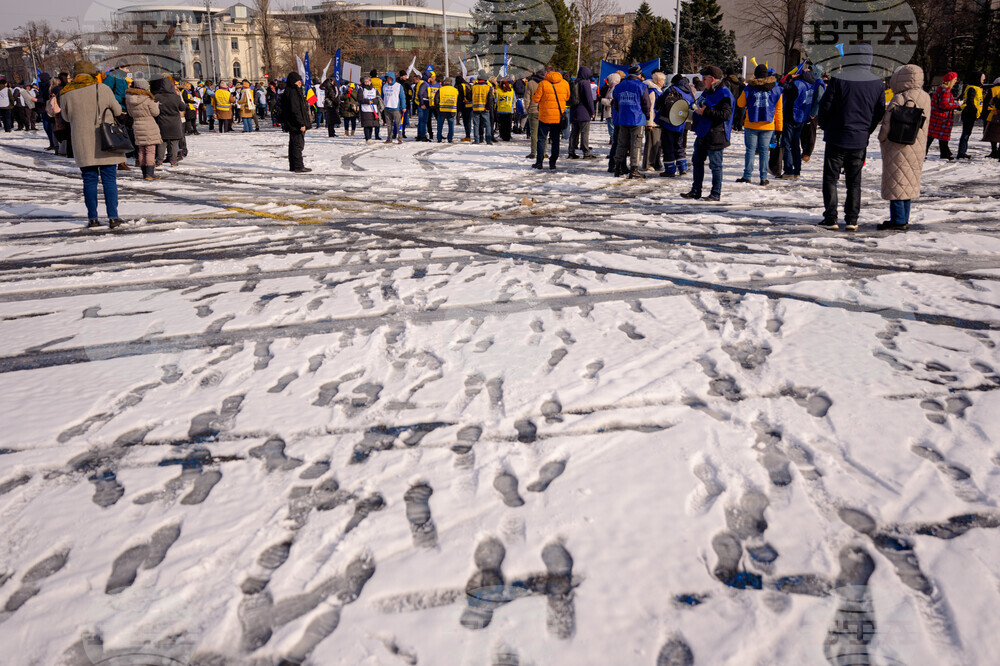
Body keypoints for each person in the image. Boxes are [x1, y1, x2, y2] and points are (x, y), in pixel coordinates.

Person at [817, 44, 885, 230]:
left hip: (837, 136)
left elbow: (825, 106)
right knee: (854, 181)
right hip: (859, 138)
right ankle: (852, 219)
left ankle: (831, 218)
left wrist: (825, 125)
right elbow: (879, 111)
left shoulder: (840, 79)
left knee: (831, 179)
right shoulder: (877, 82)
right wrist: (867, 130)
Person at [59, 60, 125, 229]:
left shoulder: (67, 93)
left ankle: (93, 218)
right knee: (109, 180)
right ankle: (113, 217)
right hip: (106, 141)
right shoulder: (102, 88)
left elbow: (66, 118)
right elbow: (117, 111)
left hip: (82, 142)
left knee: (89, 180)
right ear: (92, 73)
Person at [876, 64, 932, 231]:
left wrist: (882, 138)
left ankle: (898, 221)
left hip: (898, 145)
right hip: (917, 145)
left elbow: (887, 123)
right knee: (908, 183)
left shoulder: (900, 97)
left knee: (897, 182)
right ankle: (903, 217)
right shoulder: (925, 97)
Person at [682, 66, 734, 201]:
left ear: (712, 79)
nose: (703, 81)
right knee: (697, 161)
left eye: (705, 78)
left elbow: (726, 115)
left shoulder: (724, 93)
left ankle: (715, 193)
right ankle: (695, 190)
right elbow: (700, 106)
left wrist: (705, 112)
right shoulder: (707, 91)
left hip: (716, 134)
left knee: (715, 165)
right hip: (703, 133)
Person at [736, 64, 783, 186]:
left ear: (755, 75)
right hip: (768, 125)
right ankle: (763, 177)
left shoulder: (749, 88)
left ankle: (747, 176)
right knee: (764, 151)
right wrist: (779, 128)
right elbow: (778, 111)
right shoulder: (776, 89)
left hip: (751, 123)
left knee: (750, 151)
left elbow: (740, 104)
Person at [611, 65, 651, 178]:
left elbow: (616, 103)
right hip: (637, 119)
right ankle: (634, 170)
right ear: (639, 74)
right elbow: (646, 104)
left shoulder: (619, 86)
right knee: (636, 145)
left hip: (623, 119)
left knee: (621, 144)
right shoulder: (642, 86)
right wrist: (647, 116)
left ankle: (617, 168)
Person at [530, 67, 570, 170]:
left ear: (547, 73)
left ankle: (539, 162)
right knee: (555, 139)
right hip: (558, 117)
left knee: (542, 139)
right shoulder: (565, 83)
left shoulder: (543, 83)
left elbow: (535, 99)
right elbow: (567, 97)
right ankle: (553, 162)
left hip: (544, 116)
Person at [656, 74, 694, 177]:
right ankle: (683, 168)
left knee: (668, 146)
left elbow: (659, 102)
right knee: (679, 145)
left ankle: (670, 170)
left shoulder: (671, 89)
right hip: (681, 122)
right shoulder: (688, 91)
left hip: (668, 121)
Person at [127, 78, 162, 181]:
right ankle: (150, 174)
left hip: (137, 125)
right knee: (150, 150)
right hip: (149, 125)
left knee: (141, 150)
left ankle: (144, 173)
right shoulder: (148, 99)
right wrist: (156, 106)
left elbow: (130, 114)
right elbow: (155, 113)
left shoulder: (129, 99)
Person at [281, 72, 311, 173]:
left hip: (292, 122)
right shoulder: (293, 92)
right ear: (293, 81)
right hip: (295, 123)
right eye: (298, 81)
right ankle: (298, 166)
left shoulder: (290, 90)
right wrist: (301, 124)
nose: (300, 82)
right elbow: (295, 110)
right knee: (298, 145)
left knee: (293, 144)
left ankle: (293, 165)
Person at [927, 72, 961, 160]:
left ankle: (945, 153)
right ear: (950, 81)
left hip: (937, 117)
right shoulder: (945, 90)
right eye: (955, 79)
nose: (956, 81)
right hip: (941, 118)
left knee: (933, 136)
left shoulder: (941, 89)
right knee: (939, 137)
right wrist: (957, 104)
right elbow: (944, 105)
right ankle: (944, 154)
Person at [151, 76, 184, 167]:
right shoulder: (176, 97)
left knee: (162, 142)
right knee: (174, 142)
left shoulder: (157, 97)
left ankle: (159, 160)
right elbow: (182, 108)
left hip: (162, 122)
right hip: (175, 123)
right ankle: (173, 161)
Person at [567, 66, 595, 159]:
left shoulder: (574, 82)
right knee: (584, 133)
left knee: (574, 132)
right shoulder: (585, 83)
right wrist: (592, 111)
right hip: (583, 112)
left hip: (574, 111)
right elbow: (589, 99)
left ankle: (571, 152)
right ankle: (586, 153)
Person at [956, 73, 985, 160]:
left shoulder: (976, 88)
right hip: (969, 113)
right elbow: (970, 101)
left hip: (972, 114)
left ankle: (963, 152)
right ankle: (961, 152)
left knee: (967, 134)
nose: (983, 80)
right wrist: (975, 110)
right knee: (966, 134)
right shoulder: (972, 88)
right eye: (982, 78)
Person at [641, 72, 665, 172]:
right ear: (658, 81)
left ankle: (655, 162)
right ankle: (647, 164)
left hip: (658, 120)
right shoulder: (652, 91)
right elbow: (650, 108)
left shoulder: (658, 90)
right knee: (651, 144)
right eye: (663, 80)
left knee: (657, 144)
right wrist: (649, 123)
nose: (664, 82)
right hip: (653, 121)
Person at [524, 68, 546, 160]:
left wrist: (527, 108)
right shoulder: (546, 83)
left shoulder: (530, 83)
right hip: (544, 110)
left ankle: (533, 152)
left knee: (534, 133)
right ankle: (544, 152)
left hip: (533, 110)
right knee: (544, 133)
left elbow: (527, 97)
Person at [471, 70, 494, 145]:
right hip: (485, 109)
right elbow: (490, 99)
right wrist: (488, 108)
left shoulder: (474, 87)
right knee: (487, 124)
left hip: (476, 108)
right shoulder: (488, 87)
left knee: (476, 125)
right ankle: (488, 140)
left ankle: (477, 140)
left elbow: (468, 96)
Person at [382, 72, 406, 144]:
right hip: (387, 108)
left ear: (392, 78)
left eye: (390, 78)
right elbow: (382, 96)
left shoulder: (398, 86)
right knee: (389, 125)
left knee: (398, 125)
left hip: (396, 108)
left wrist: (403, 106)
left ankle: (400, 138)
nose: (388, 79)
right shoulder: (384, 86)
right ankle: (389, 138)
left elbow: (402, 97)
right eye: (387, 78)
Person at [357, 75, 381, 143]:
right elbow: (359, 99)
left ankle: (370, 138)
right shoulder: (361, 89)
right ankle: (367, 138)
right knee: (366, 125)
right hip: (365, 110)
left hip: (373, 110)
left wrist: (373, 101)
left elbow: (378, 99)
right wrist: (367, 101)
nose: (366, 83)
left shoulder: (375, 89)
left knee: (371, 125)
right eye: (365, 82)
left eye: (368, 81)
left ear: (370, 82)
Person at [436, 76, 458, 143]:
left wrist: (437, 107)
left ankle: (439, 138)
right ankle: (450, 138)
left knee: (440, 125)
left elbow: (436, 99)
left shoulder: (441, 89)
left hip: (442, 110)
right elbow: (458, 100)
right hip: (451, 110)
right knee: (451, 125)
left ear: (445, 82)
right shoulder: (455, 90)